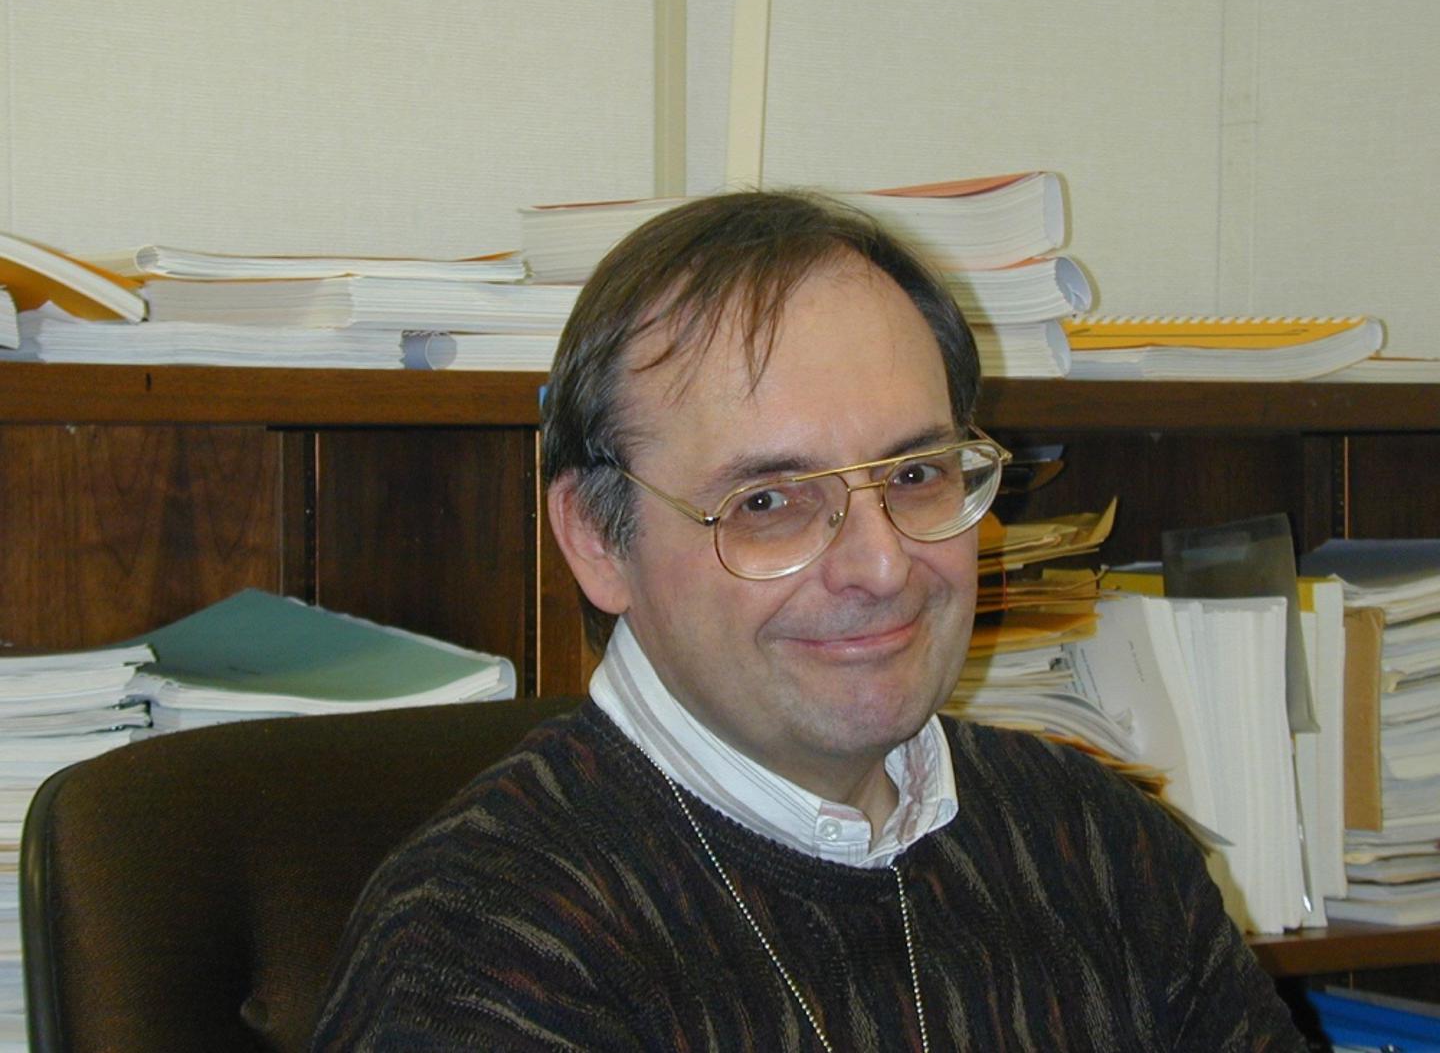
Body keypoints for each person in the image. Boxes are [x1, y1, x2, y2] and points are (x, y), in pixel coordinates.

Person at [312, 191, 1306, 1051]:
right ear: (597, 540)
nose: (882, 566)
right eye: (768, 502)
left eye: (916, 475)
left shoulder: (1101, 848)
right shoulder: (483, 949)